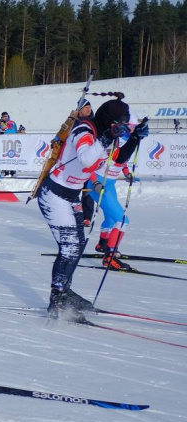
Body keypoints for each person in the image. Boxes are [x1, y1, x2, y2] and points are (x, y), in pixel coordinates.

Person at [37, 94, 141, 320]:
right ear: (108, 120)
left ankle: (64, 290)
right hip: (54, 194)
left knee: (78, 244)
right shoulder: (84, 130)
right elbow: (85, 159)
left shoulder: (106, 135)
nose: (121, 129)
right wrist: (106, 137)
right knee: (70, 247)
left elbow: (119, 158)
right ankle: (57, 298)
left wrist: (135, 138)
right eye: (119, 125)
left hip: (71, 196)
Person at [86, 117, 148, 270]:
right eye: (125, 126)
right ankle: (110, 256)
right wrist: (94, 182)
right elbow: (88, 166)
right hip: (98, 184)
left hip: (110, 183)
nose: (127, 129)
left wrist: (127, 174)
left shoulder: (122, 141)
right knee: (122, 220)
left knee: (112, 218)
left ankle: (103, 244)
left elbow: (123, 160)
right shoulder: (106, 142)